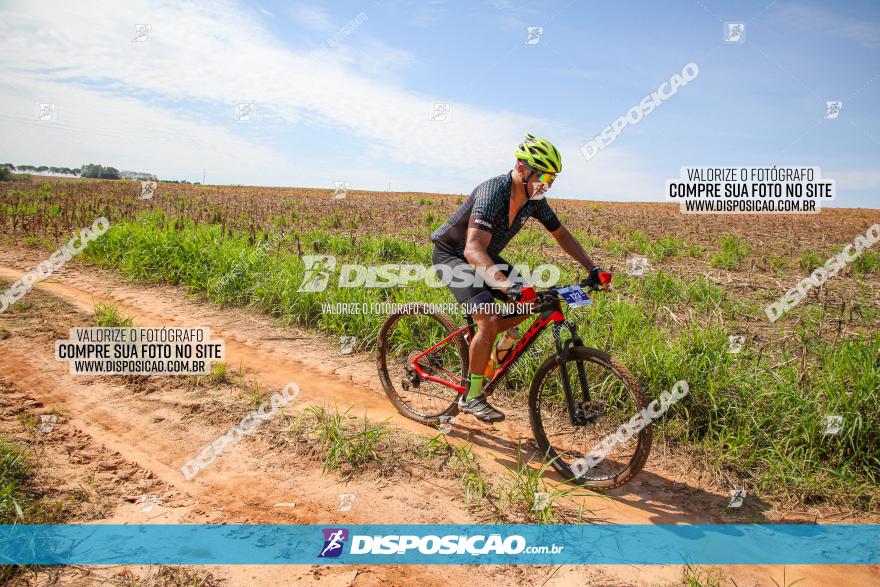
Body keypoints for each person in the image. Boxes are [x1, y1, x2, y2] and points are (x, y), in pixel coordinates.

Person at [430, 133, 605, 422]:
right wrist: (504, 284)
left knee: (534, 301)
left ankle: (490, 346)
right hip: (453, 255)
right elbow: (472, 249)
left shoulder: (534, 200)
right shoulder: (494, 191)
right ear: (522, 169)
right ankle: (471, 396)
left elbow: (561, 234)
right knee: (487, 318)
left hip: (484, 255)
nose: (547, 184)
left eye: (553, 178)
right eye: (544, 176)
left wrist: (592, 268)